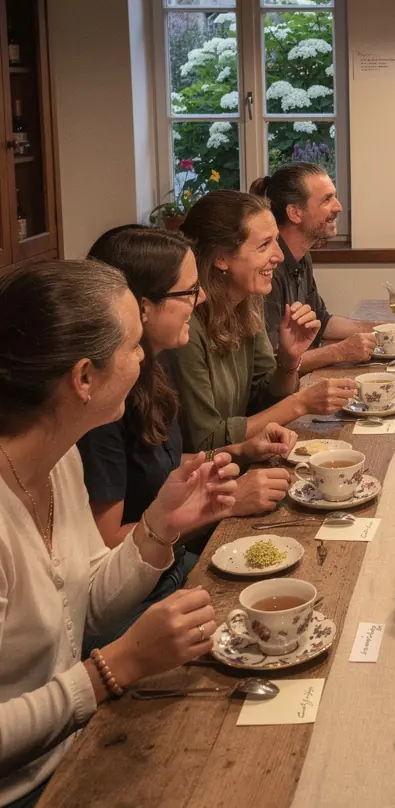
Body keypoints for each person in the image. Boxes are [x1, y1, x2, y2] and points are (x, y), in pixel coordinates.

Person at [0, 260, 238, 808]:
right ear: (84, 378)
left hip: (74, 744)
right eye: (133, 346)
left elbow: (85, 605)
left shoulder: (59, 461)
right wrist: (115, 668)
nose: (144, 358)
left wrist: (159, 525)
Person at [80, 226, 299, 591]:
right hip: (142, 590)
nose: (200, 300)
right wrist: (226, 504)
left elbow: (159, 465)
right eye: (188, 291)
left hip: (176, 563)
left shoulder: (153, 368)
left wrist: (240, 450)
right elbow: (106, 546)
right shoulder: (102, 405)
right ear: (142, 308)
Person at [169, 190, 357, 452]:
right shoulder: (185, 328)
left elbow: (265, 400)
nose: (278, 256)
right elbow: (206, 441)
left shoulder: (245, 303)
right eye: (264, 245)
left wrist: (289, 361)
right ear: (221, 258)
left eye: (276, 241)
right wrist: (301, 403)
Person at [249, 163, 395, 373]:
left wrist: (383, 329)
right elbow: (274, 363)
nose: (338, 206)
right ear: (295, 213)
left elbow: (322, 321)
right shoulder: (268, 269)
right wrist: (338, 352)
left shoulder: (302, 257)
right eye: (327, 200)